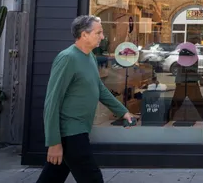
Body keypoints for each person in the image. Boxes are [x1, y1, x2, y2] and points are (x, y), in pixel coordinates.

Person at [36, 15, 136, 183]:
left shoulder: (89, 57)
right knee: (92, 178)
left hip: (80, 130)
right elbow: (52, 101)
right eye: (99, 33)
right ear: (84, 35)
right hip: (70, 132)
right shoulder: (67, 58)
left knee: (52, 177)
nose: (103, 37)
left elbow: (100, 88)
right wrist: (53, 142)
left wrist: (123, 112)